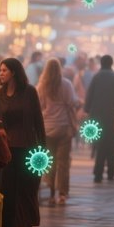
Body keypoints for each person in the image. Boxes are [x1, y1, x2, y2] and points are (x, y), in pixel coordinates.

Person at [0, 58, 46, 227]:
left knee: (28, 192)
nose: (1, 73)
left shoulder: (29, 92)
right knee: (8, 194)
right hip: (7, 153)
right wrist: (0, 131)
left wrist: (43, 148)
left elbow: (38, 121)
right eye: (0, 70)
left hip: (29, 151)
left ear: (14, 72)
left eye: (4, 70)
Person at [38, 57, 79, 206]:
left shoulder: (41, 86)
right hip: (63, 128)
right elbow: (73, 103)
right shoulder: (66, 84)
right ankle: (62, 194)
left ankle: (51, 194)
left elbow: (40, 106)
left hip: (47, 128)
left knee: (50, 162)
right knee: (63, 163)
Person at [84, 54, 114, 183]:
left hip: (97, 117)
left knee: (99, 146)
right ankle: (111, 173)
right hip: (112, 116)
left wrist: (86, 109)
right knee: (112, 146)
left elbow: (89, 95)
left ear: (101, 63)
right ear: (111, 63)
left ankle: (98, 174)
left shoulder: (96, 77)